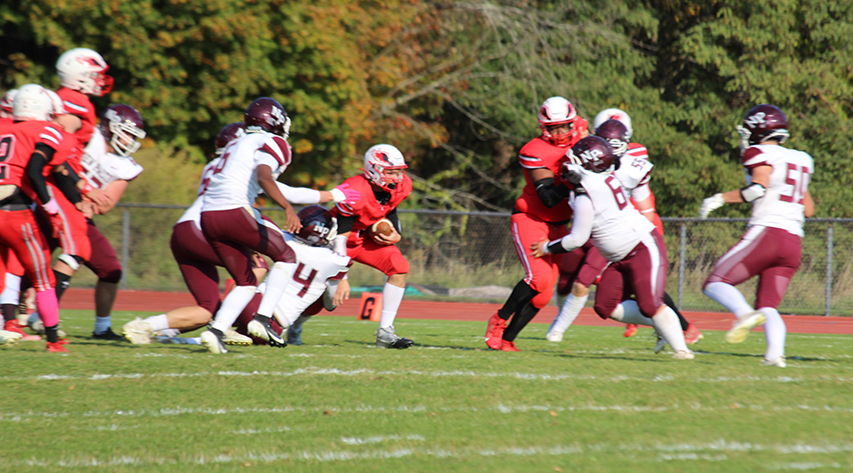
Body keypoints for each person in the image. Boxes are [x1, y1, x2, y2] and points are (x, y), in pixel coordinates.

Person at [122, 124, 358, 345]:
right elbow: (278, 188)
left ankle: (150, 328)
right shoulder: (253, 156)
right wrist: (329, 196)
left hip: (185, 227)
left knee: (208, 307)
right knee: (258, 265)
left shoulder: (217, 166)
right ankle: (252, 321)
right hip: (210, 225)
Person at [544, 117, 703, 350]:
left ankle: (680, 345)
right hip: (608, 242)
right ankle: (663, 326)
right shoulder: (600, 176)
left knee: (646, 300)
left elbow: (641, 205)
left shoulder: (600, 182)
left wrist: (547, 247)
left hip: (628, 238)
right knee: (601, 303)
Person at [699, 104, 813, 368]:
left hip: (768, 232)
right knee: (768, 305)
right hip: (793, 240)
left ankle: (743, 314)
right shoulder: (802, 159)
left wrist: (719, 199)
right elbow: (808, 208)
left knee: (716, 282)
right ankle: (775, 356)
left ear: (758, 129)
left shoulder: (758, 152)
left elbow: (757, 189)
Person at [198, 97, 305, 354]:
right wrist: (287, 207)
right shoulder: (272, 141)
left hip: (208, 216)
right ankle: (262, 319)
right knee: (287, 256)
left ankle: (215, 332)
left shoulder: (235, 143)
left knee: (246, 281)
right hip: (234, 210)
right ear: (276, 121)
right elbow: (265, 176)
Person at [484, 96, 588, 351]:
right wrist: (569, 180)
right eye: (554, 128)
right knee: (538, 279)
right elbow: (549, 198)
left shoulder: (583, 134)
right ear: (543, 127)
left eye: (565, 126)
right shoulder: (534, 150)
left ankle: (508, 340)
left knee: (542, 296)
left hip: (561, 225)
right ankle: (498, 319)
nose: (561, 132)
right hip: (533, 218)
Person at [0, 84, 83, 352]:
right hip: (15, 211)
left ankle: (8, 323)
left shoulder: (3, 127)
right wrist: (52, 209)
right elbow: (39, 171)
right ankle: (53, 339)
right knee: (43, 277)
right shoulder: (45, 130)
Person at [329, 143, 414, 348]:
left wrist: (396, 234)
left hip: (367, 240)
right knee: (325, 301)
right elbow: (341, 233)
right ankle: (294, 326)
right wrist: (342, 276)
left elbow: (390, 208)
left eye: (398, 172)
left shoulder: (401, 186)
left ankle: (385, 332)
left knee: (399, 266)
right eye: (391, 172)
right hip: (339, 241)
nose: (397, 178)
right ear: (373, 170)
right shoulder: (355, 189)